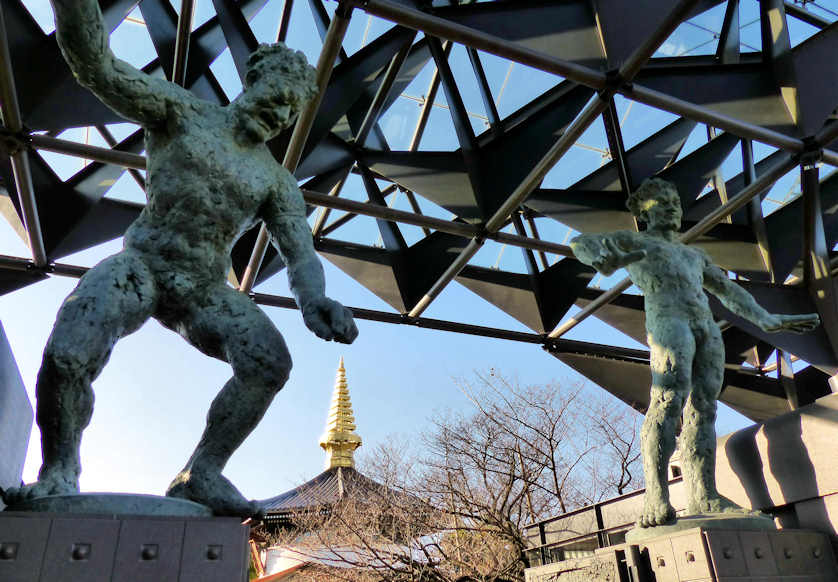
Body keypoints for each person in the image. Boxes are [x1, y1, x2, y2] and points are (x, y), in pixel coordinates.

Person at [3, 0, 358, 516]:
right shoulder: (182, 112)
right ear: (252, 82)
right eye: (277, 99)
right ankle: (59, 470)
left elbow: (299, 248)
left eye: (290, 113)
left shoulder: (274, 180)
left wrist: (314, 299)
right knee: (67, 353)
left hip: (202, 289)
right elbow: (96, 65)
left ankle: (202, 473)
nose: (280, 116)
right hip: (143, 266)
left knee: (268, 361)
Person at [571, 178, 819, 527]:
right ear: (644, 210)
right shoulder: (634, 241)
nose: (673, 208)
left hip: (705, 325)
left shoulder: (693, 254)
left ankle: (704, 493)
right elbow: (581, 243)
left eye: (676, 202)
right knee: (668, 399)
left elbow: (729, 290)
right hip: (668, 320)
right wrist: (603, 258)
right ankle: (656, 495)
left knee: (705, 406)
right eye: (663, 202)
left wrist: (767, 319)